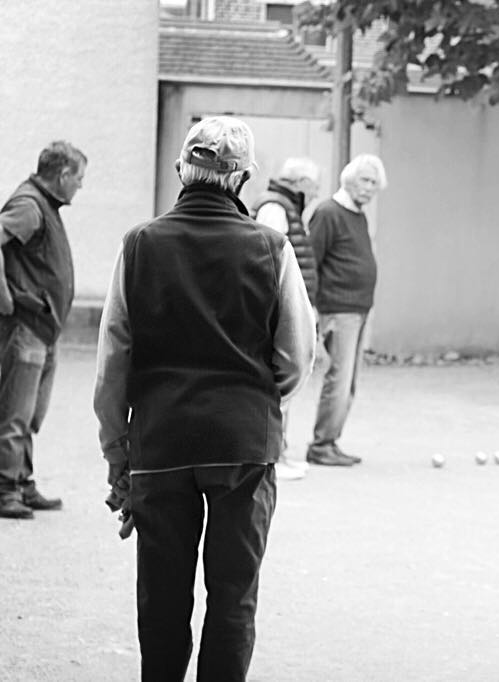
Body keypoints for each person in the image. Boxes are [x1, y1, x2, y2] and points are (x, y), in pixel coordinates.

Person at [93, 116, 316, 681]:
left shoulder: (139, 245)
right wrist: (263, 405)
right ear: (242, 179)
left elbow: (113, 362)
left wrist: (118, 453)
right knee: (233, 595)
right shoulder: (272, 247)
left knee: (162, 596)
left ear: (180, 173)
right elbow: (296, 356)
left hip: (161, 443)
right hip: (243, 444)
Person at [0, 141, 87, 520]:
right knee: (15, 413)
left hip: (42, 327)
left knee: (31, 412)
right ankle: (5, 490)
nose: (80, 186)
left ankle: (21, 481)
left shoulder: (41, 204)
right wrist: (4, 297)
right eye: (79, 178)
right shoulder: (30, 206)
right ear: (63, 174)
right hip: (26, 325)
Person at [305, 154, 387, 467]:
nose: (370, 188)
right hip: (338, 308)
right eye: (365, 180)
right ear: (348, 179)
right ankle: (321, 444)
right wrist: (312, 307)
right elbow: (312, 261)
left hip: (358, 307)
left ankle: (330, 440)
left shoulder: (358, 215)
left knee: (349, 380)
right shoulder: (328, 212)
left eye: (374, 184)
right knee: (339, 379)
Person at [252, 157, 320, 480]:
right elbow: (267, 257)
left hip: (286, 307)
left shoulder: (286, 206)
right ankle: (271, 456)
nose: (317, 191)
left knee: (285, 383)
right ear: (300, 183)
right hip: (276, 310)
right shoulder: (275, 207)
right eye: (314, 184)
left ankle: (278, 451)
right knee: (278, 382)